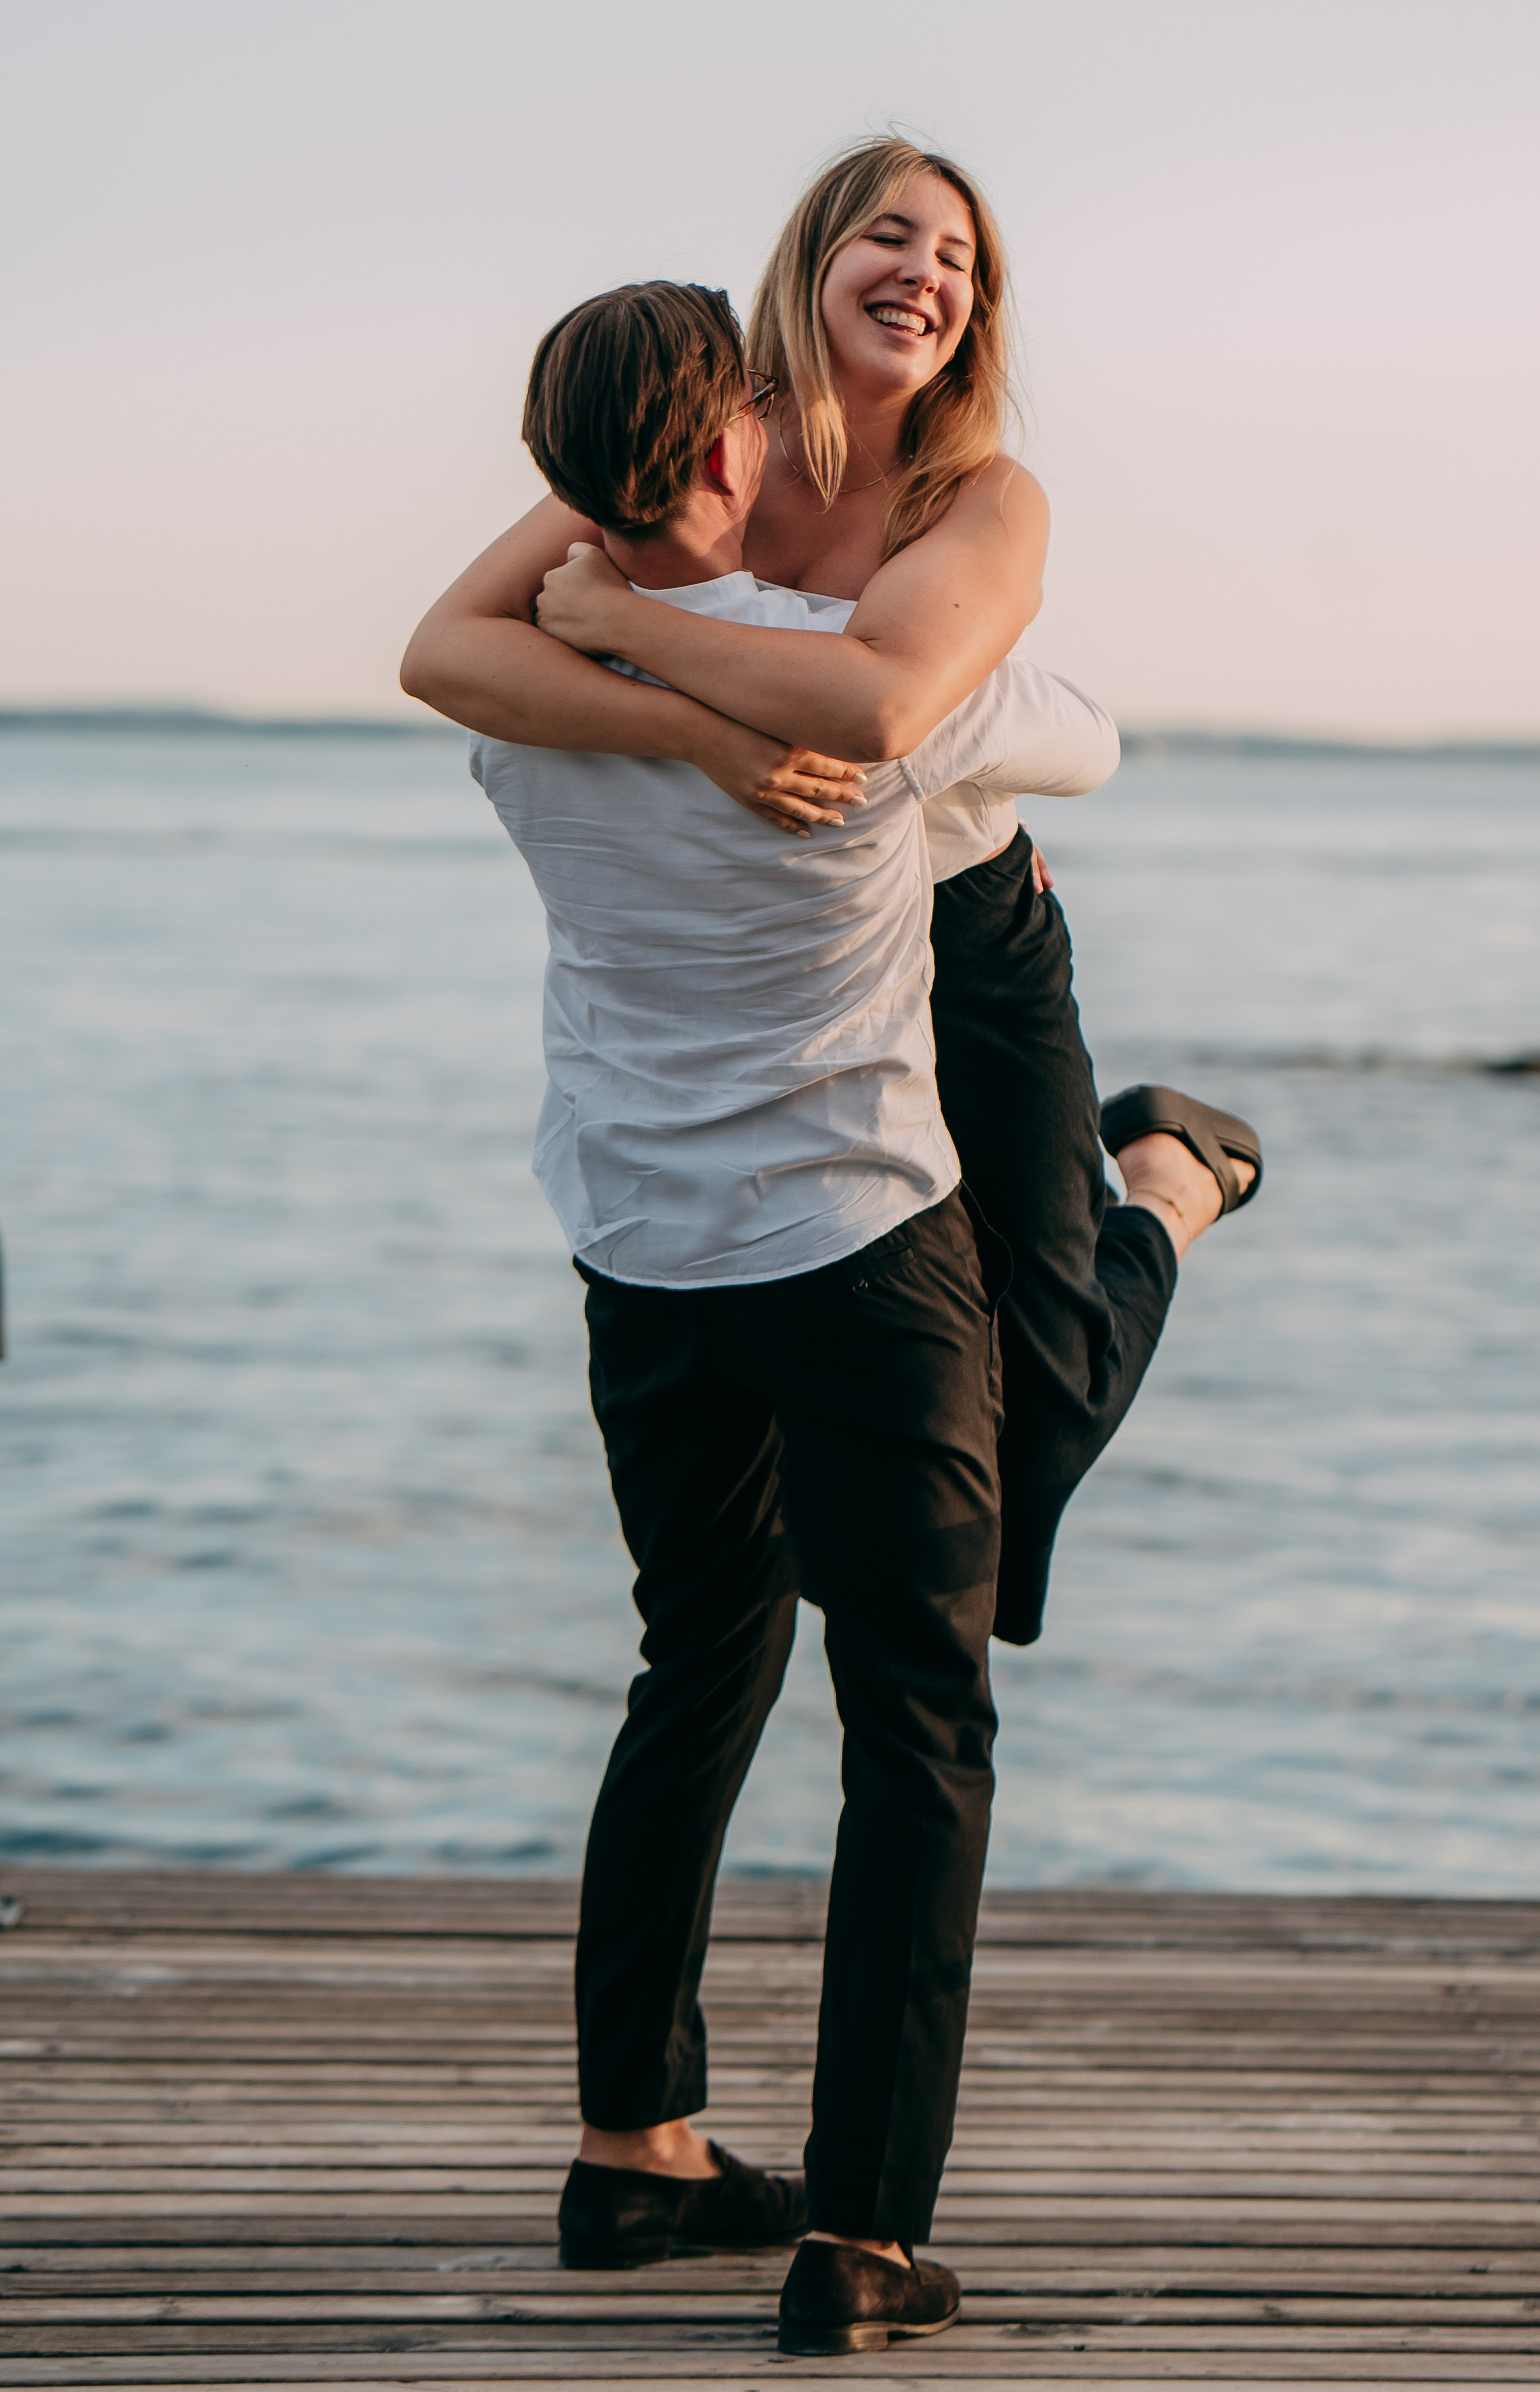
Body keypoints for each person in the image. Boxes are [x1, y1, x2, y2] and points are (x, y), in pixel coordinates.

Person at [437, 276, 1152, 2354]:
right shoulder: (862, 692)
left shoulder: (521, 695)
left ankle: (634, 2149)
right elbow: (1078, 739)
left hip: (642, 1258)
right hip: (858, 1256)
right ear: (742, 449)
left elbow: (457, 636)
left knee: (696, 1668)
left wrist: (595, 590)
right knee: (917, 1730)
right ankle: (862, 2235)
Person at [401, 137, 1260, 1658]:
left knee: (1042, 1396)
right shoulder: (708, 429)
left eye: (959, 262)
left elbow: (884, 707)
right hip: (792, 953)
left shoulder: (980, 499)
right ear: (808, 261)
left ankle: (1172, 1184)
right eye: (891, 236)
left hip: (969, 941)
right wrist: (704, 737)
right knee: (882, 1450)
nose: (926, 274)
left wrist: (620, 623)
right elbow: (445, 657)